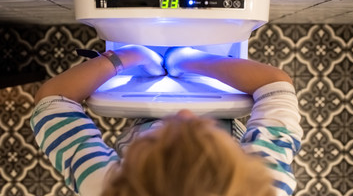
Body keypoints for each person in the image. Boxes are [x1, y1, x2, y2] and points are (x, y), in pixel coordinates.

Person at [31, 45, 303, 196]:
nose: (184, 113)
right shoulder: (263, 185)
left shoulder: (106, 186)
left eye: (159, 139)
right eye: (206, 133)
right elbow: (275, 85)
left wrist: (125, 56)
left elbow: (53, 100)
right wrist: (190, 59)